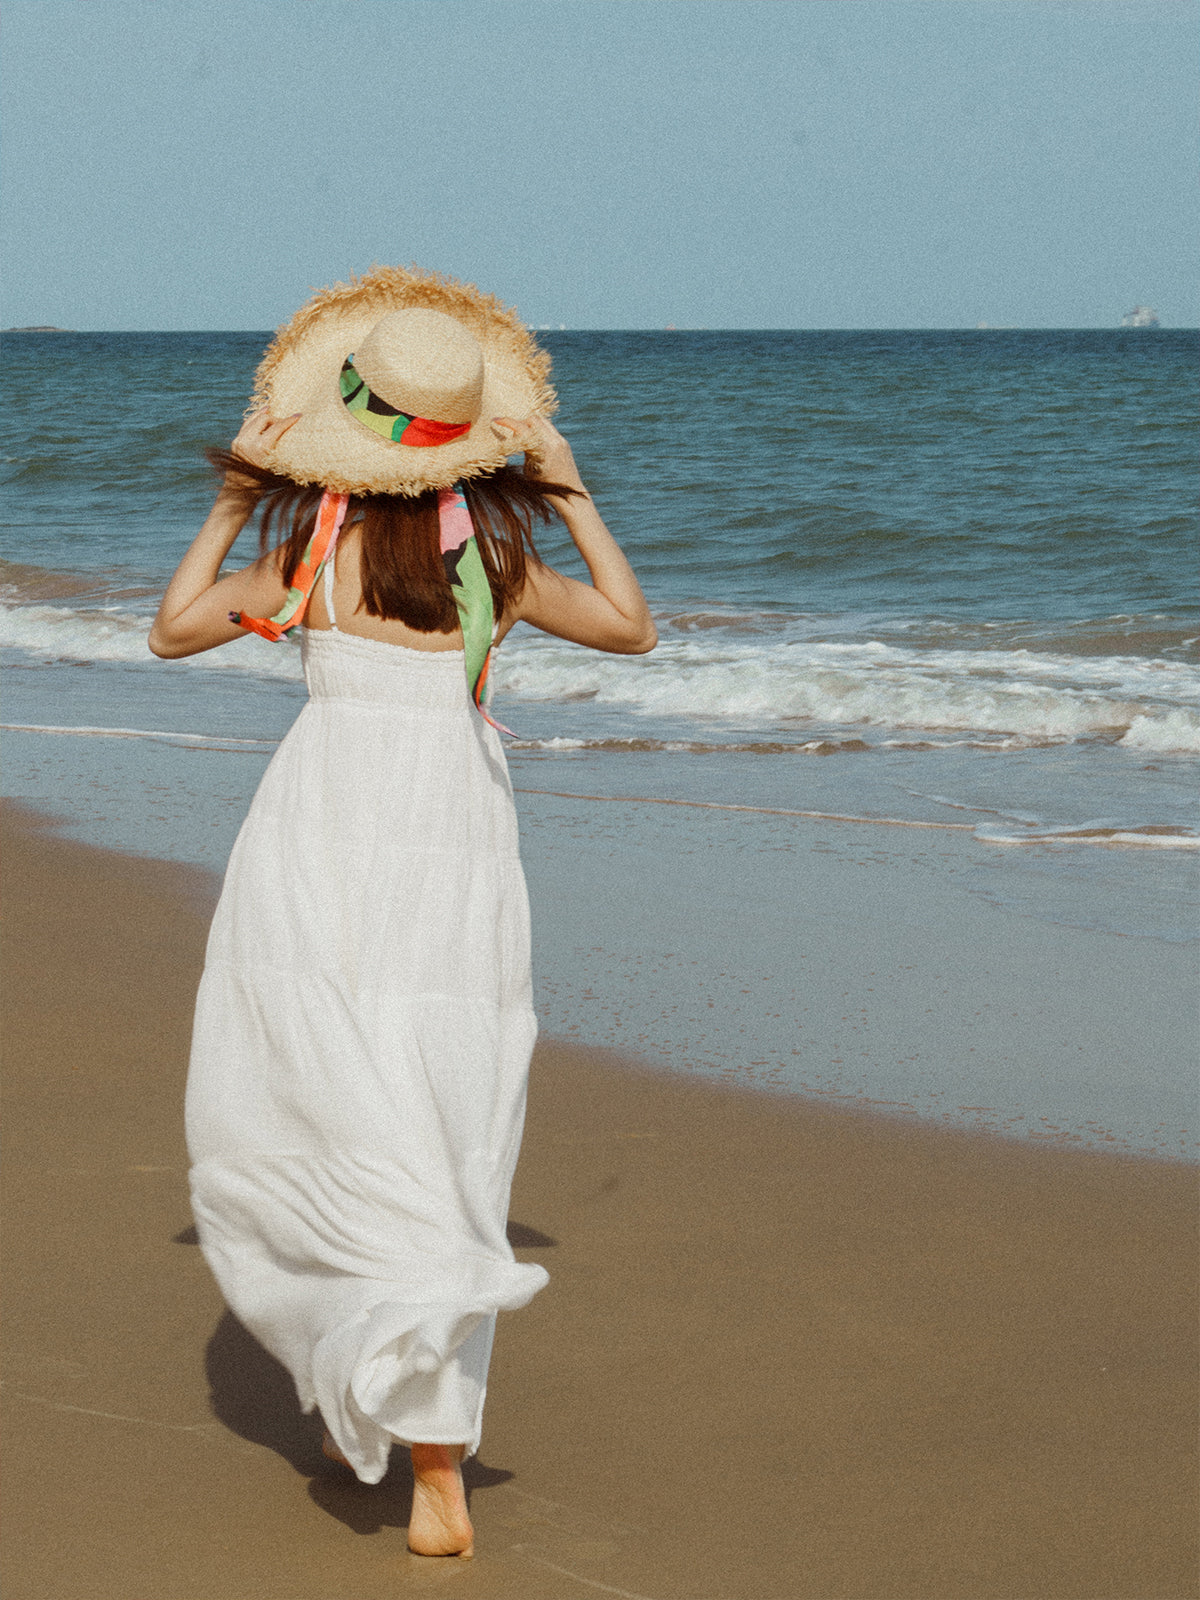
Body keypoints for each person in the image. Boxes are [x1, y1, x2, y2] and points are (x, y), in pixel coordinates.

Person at [149, 266, 655, 1559]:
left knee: (321, 1100)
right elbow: (632, 629)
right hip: (453, 849)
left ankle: (365, 1377)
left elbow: (171, 633)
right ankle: (421, 1438)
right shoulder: (497, 559)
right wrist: (570, 483)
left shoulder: (301, 556)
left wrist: (230, 501)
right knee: (439, 1117)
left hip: (315, 835)